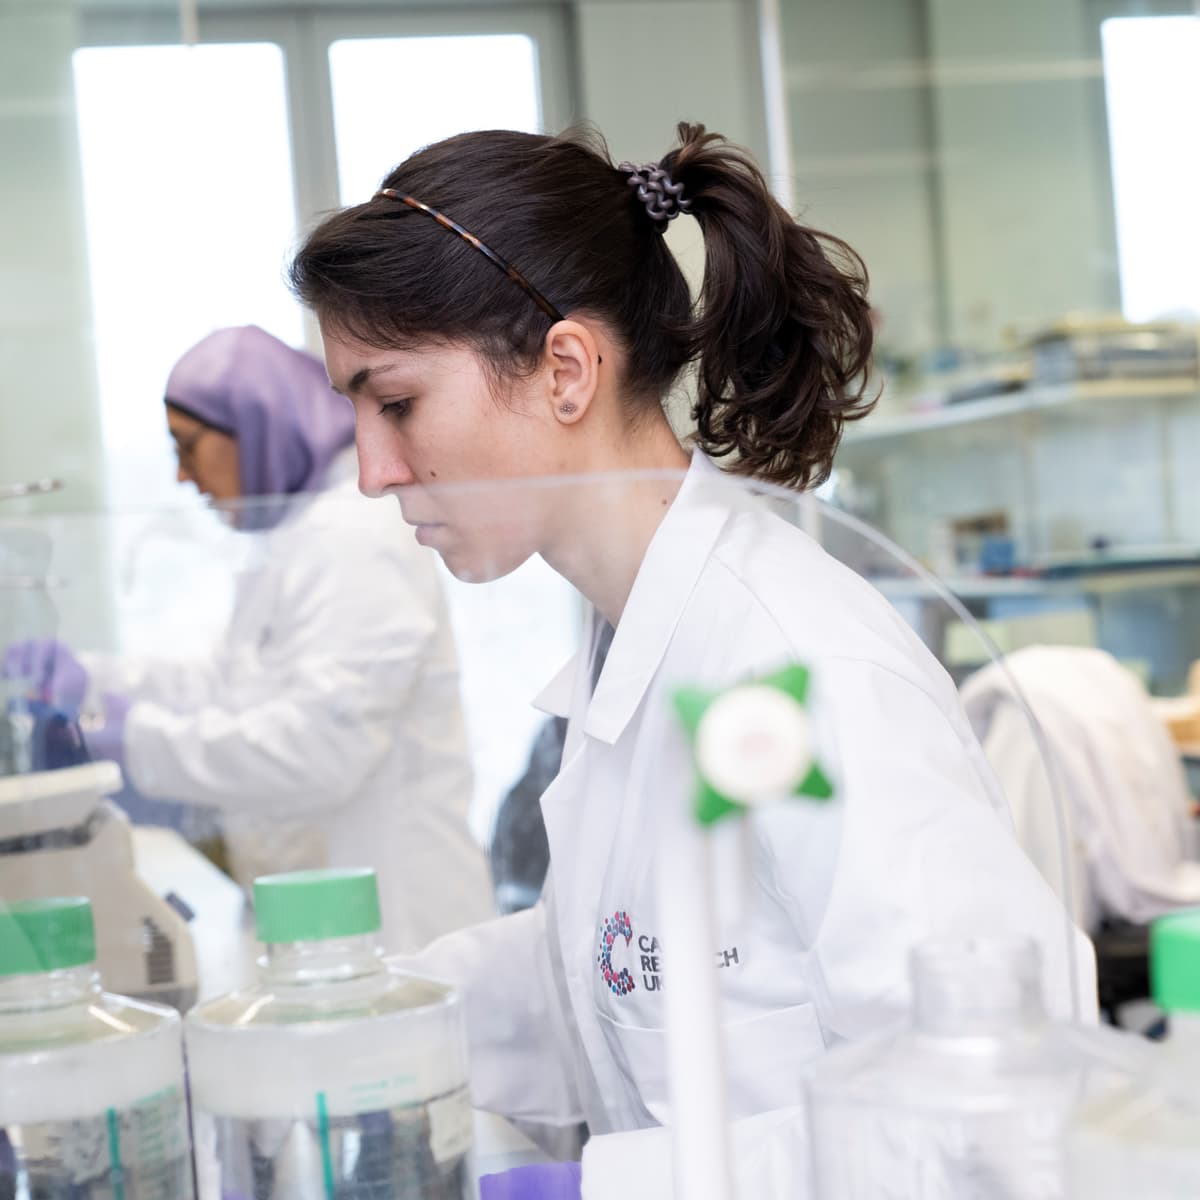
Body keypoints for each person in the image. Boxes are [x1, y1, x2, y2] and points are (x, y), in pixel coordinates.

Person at [287, 125, 1096, 1138]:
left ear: (567, 371)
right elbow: (624, 963)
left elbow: (990, 1097)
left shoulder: (793, 670)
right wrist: (343, 1026)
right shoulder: (633, 638)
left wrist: (610, 1182)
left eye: (397, 403)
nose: (373, 470)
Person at [4, 326, 494, 952]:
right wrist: (96, 679)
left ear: (257, 424)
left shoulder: (352, 538)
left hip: (398, 929)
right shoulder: (299, 537)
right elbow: (233, 685)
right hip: (318, 921)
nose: (183, 477)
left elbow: (317, 749)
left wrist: (129, 737)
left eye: (187, 447)